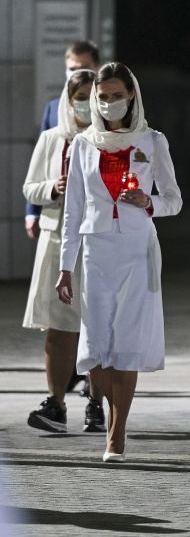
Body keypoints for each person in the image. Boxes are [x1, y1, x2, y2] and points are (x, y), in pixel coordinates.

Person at [57, 62, 183, 462]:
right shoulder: (83, 144)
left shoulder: (153, 140)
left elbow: (174, 200)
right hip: (96, 251)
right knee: (96, 346)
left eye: (117, 95)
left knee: (126, 340)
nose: (109, 103)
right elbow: (73, 211)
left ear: (132, 96)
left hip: (136, 250)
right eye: (103, 96)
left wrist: (149, 202)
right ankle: (110, 406)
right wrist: (64, 266)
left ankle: (117, 433)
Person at [23, 69, 106, 434]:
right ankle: (55, 403)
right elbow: (30, 187)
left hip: (96, 239)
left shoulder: (108, 140)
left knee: (96, 325)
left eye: (92, 97)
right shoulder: (51, 138)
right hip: (55, 238)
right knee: (58, 327)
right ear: (68, 102)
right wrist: (52, 189)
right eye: (79, 98)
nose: (85, 105)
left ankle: (96, 403)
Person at [27, 41, 101, 242]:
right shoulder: (54, 108)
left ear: (96, 68)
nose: (77, 73)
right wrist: (32, 212)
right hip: (58, 211)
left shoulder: (108, 108)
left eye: (83, 67)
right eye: (72, 69)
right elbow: (40, 164)